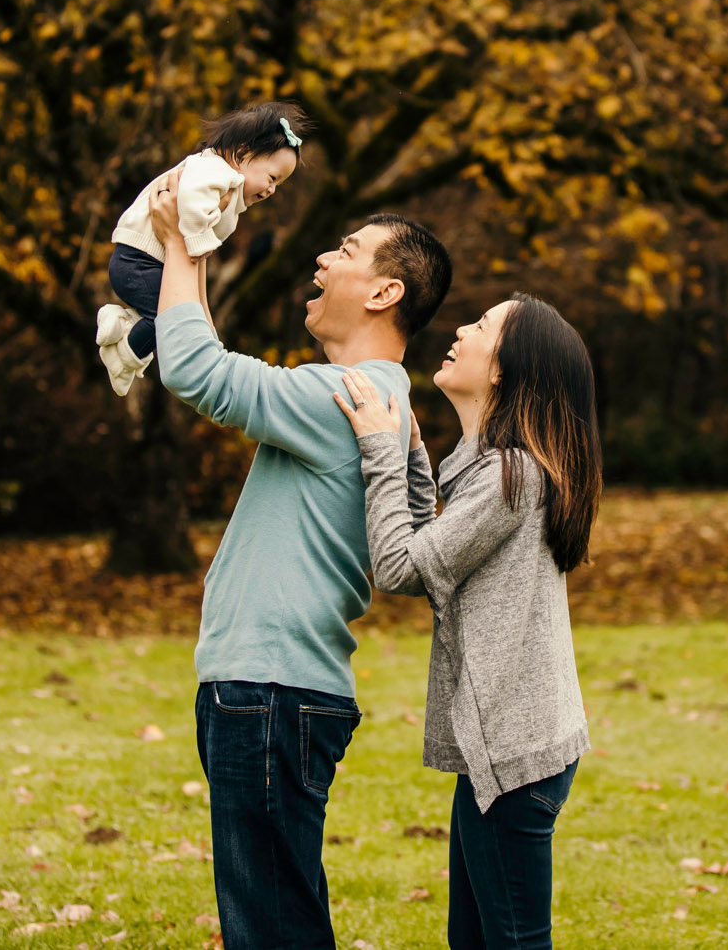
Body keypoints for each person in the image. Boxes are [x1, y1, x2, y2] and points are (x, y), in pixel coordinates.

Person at [144, 168, 453, 950]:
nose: (321, 259)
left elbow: (196, 371)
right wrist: (196, 249)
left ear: (385, 292)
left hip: (271, 690)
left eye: (346, 249)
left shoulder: (341, 394)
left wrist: (183, 241)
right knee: (274, 912)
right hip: (272, 689)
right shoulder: (369, 396)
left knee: (273, 925)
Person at [333, 293, 600, 950]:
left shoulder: (510, 476)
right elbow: (440, 545)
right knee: (475, 939)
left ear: (504, 369)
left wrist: (377, 450)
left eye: (480, 326)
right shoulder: (502, 470)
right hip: (512, 750)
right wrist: (411, 454)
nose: (459, 329)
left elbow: (401, 565)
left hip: (512, 755)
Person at [95, 101, 310, 395]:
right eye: (272, 178)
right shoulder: (215, 170)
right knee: (169, 320)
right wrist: (200, 244)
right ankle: (123, 355)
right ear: (244, 152)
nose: (272, 190)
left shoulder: (227, 185)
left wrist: (207, 324)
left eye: (279, 185)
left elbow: (197, 257)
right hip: (137, 260)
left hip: (148, 263)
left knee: (176, 317)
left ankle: (121, 327)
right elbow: (191, 206)